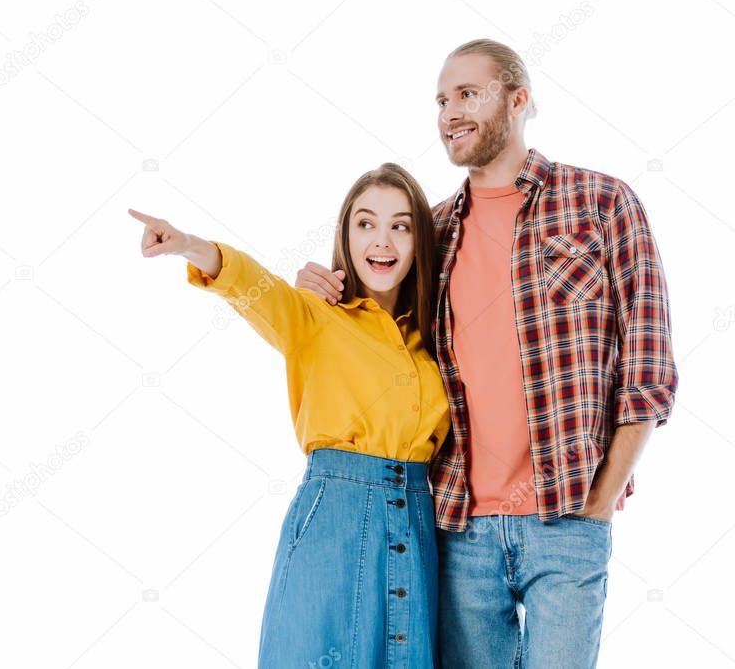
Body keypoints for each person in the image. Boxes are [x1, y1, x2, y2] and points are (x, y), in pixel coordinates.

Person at [294, 39, 678, 668]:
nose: (450, 112)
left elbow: (648, 371)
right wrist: (324, 289)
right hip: (458, 529)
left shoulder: (603, 205)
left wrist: (601, 500)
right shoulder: (435, 229)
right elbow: (386, 338)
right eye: (442, 100)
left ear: (519, 99)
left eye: (467, 93)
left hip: (567, 519)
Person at [129, 162, 449, 667]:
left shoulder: (430, 341)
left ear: (418, 242)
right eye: (365, 223)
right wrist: (190, 245)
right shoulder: (314, 316)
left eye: (400, 225)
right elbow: (253, 286)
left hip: (416, 525)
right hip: (335, 523)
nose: (381, 240)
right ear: (346, 235)